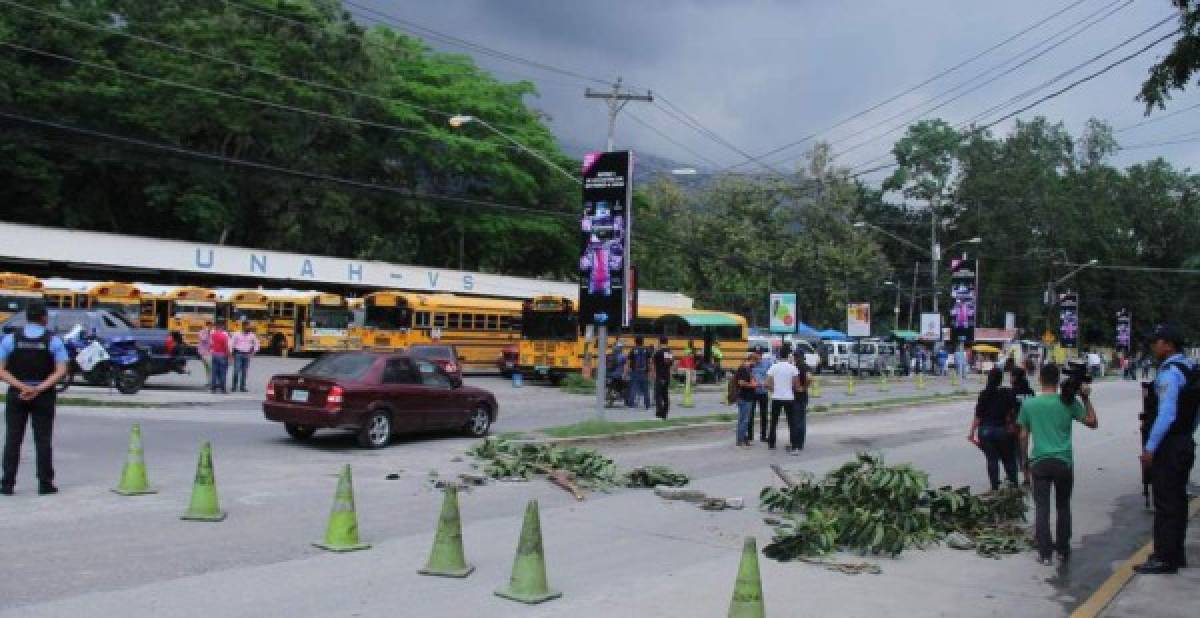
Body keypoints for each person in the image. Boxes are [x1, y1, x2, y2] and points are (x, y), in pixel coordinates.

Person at [1017, 363, 1098, 565]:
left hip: (1040, 462)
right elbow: (1092, 422)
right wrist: (1086, 399)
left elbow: (1023, 435)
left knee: (1042, 508)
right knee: (1063, 506)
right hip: (1063, 462)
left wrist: (1024, 459)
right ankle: (1063, 549)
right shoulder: (1067, 402)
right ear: (1057, 379)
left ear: (1040, 379)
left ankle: (1045, 553)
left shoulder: (1029, 405)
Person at [1135, 323, 1197, 575]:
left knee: (1165, 503)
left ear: (1169, 345)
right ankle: (1174, 553)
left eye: (1157, 341)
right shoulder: (1190, 368)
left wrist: (1151, 447)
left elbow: (1167, 413)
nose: (1153, 345)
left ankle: (1163, 558)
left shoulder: (1170, 373)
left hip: (1168, 446)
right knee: (1178, 502)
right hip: (1183, 441)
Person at [0, 303, 69, 495]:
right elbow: (61, 370)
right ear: (44, 318)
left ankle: (7, 484)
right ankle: (45, 484)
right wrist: (38, 388)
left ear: (27, 317)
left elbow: (1, 369)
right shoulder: (53, 340)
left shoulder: (11, 339)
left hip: (17, 394)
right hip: (43, 395)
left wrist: (22, 386)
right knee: (43, 440)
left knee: (13, 439)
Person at [968, 368, 1019, 490]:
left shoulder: (984, 394)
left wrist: (971, 432)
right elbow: (1014, 411)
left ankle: (995, 487)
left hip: (985, 431)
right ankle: (1013, 485)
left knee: (991, 459)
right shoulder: (1007, 392)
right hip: (1003, 431)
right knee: (1009, 459)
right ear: (1000, 380)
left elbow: (978, 416)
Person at [764, 352, 800, 451]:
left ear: (778, 356)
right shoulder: (793, 368)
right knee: (792, 423)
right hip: (789, 398)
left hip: (776, 397)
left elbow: (766, 383)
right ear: (789, 356)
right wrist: (790, 388)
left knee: (773, 422)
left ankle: (771, 444)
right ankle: (794, 446)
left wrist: (773, 389)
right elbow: (796, 385)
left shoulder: (774, 367)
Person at [1010, 366, 1036, 486]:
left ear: (1015, 377)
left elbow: (1009, 409)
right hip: (1028, 424)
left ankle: (1019, 476)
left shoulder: (1012, 392)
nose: (1010, 378)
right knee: (1023, 450)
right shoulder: (1030, 392)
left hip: (1016, 424)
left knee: (1017, 452)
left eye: (1011, 376)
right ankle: (1026, 476)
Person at [734, 354, 759, 447]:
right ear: (752, 360)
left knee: (743, 419)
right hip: (745, 397)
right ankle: (740, 441)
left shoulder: (747, 369)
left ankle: (744, 438)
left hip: (746, 397)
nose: (756, 364)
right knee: (744, 420)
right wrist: (753, 385)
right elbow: (741, 383)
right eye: (756, 362)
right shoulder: (744, 369)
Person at [749, 348, 772, 442]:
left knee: (764, 415)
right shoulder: (750, 363)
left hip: (763, 392)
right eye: (756, 354)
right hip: (752, 391)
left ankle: (763, 436)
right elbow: (748, 375)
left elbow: (770, 375)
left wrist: (766, 383)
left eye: (760, 354)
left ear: (762, 355)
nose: (758, 356)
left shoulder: (767, 363)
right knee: (750, 415)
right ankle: (750, 436)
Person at [230, 321, 260, 393]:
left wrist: (253, 353)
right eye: (248, 326)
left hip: (247, 354)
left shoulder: (252, 335)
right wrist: (231, 353)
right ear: (243, 326)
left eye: (250, 326)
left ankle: (242, 387)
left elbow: (257, 344)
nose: (249, 328)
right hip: (238, 354)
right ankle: (234, 386)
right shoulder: (236, 334)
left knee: (244, 372)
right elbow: (231, 343)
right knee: (236, 370)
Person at [650, 336, 675, 419]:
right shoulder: (669, 352)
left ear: (660, 342)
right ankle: (665, 413)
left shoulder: (658, 352)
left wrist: (653, 374)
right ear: (667, 342)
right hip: (666, 375)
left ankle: (659, 412)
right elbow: (670, 365)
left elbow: (652, 363)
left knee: (658, 395)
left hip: (659, 376)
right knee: (665, 395)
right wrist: (670, 376)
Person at [626, 336, 652, 409]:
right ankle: (647, 405)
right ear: (643, 342)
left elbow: (628, 362)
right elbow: (649, 362)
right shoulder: (647, 350)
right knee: (646, 389)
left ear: (635, 342)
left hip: (635, 371)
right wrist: (650, 371)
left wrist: (627, 371)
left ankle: (631, 404)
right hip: (644, 372)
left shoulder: (633, 350)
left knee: (633, 388)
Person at [208, 320, 232, 394]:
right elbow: (226, 346)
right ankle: (223, 389)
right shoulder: (224, 336)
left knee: (214, 372)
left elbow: (210, 344)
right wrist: (229, 356)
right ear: (222, 327)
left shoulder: (213, 335)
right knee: (223, 372)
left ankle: (213, 389)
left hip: (214, 354)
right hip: (222, 355)